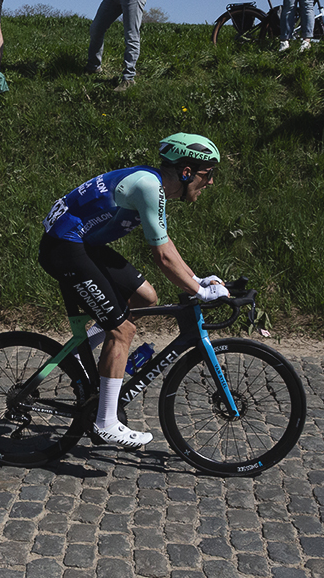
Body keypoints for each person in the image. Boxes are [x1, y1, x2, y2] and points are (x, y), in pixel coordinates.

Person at [38, 133, 228, 449]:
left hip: (81, 243)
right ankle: (105, 422)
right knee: (123, 330)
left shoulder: (153, 184)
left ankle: (84, 348)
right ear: (186, 171)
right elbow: (162, 256)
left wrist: (198, 280)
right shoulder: (148, 186)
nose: (210, 183)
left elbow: (165, 243)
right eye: (207, 174)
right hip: (64, 248)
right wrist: (199, 290)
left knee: (145, 298)